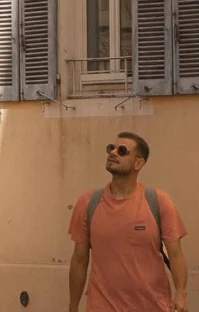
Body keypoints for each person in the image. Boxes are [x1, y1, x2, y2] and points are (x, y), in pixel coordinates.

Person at [69, 132, 189, 312]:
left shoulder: (158, 202)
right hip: (102, 306)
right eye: (111, 148)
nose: (113, 153)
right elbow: (79, 261)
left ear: (138, 163)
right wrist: (73, 306)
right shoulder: (88, 203)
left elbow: (176, 255)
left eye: (122, 150)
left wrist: (181, 294)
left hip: (152, 306)